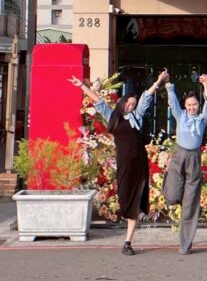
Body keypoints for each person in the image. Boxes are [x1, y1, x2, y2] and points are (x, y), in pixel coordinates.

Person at [69, 69, 169, 255]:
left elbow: (146, 98)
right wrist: (82, 86)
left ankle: (128, 242)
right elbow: (98, 100)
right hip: (124, 164)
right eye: (128, 103)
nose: (130, 106)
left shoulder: (137, 117)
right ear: (123, 102)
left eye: (133, 104)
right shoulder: (113, 116)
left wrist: (158, 82)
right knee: (124, 198)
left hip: (139, 163)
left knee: (135, 200)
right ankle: (134, 215)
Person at [162, 74, 207, 255]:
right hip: (179, 155)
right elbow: (172, 101)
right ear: (185, 105)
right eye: (189, 104)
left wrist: (206, 86)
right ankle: (168, 182)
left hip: (194, 158)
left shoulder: (202, 119)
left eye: (195, 104)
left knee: (190, 203)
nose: (192, 107)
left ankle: (185, 245)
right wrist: (168, 83)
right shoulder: (180, 115)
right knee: (172, 195)